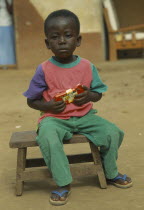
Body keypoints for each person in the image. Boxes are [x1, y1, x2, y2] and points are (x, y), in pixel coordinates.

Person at [23, 9, 132, 206]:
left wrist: (89, 95)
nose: (62, 41)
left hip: (85, 116)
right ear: (47, 43)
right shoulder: (44, 69)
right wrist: (48, 106)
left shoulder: (87, 66)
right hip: (54, 119)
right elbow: (31, 100)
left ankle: (110, 173)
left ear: (78, 40)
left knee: (112, 132)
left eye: (68, 35)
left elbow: (98, 93)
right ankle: (63, 182)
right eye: (55, 37)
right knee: (47, 138)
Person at [0, 0, 16, 66]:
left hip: (7, 24)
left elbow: (10, 11)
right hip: (1, 24)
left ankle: (8, 64)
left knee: (8, 46)